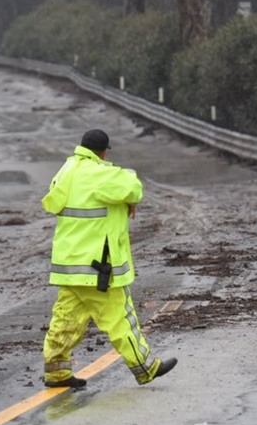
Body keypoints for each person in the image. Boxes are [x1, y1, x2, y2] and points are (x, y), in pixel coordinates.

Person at [41, 129, 177, 388]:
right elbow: (133, 188)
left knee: (65, 320)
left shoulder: (66, 171)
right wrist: (126, 200)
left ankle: (55, 372)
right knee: (121, 319)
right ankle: (146, 367)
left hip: (70, 266)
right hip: (98, 268)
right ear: (102, 152)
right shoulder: (100, 174)